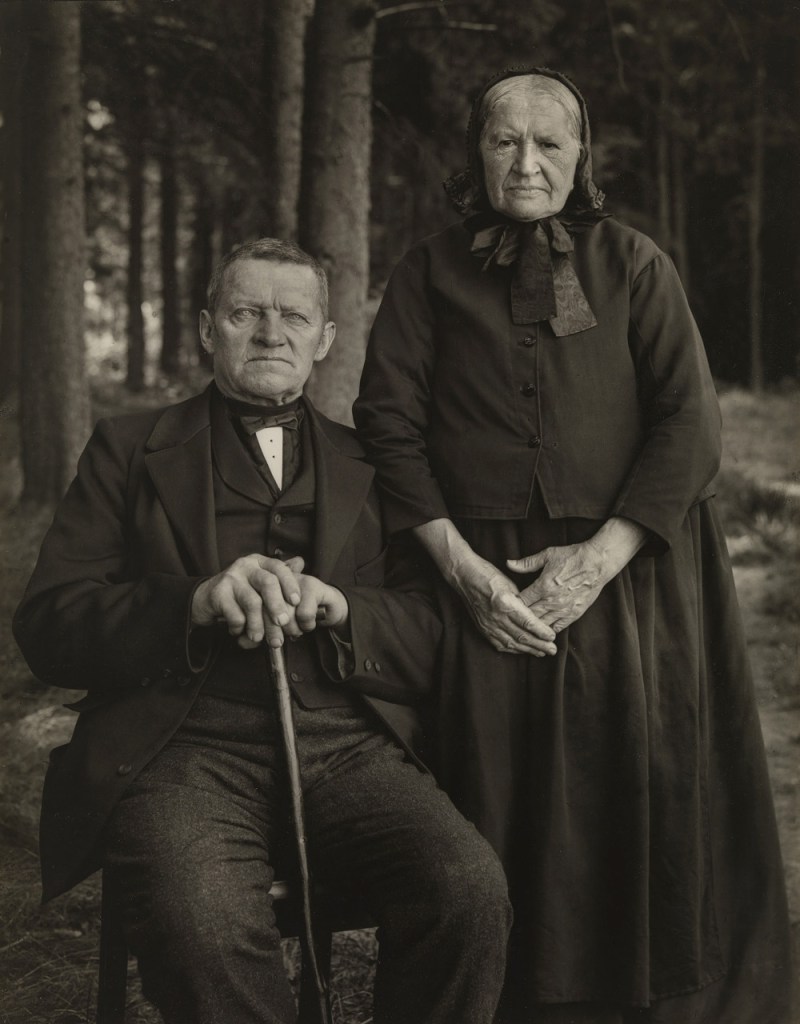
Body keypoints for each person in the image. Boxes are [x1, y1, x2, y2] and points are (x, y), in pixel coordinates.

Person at [353, 68, 792, 1024]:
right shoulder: (428, 273)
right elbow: (387, 422)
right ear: (475, 154)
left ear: (580, 155)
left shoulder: (635, 262)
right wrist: (460, 571)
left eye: (549, 143)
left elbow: (691, 421)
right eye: (505, 140)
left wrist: (598, 559)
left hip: (628, 576)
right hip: (481, 581)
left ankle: (640, 997)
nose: (527, 161)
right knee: (496, 796)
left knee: (629, 781)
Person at [13, 238, 512, 1024]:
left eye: (293, 316)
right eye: (247, 312)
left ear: (326, 339)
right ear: (209, 329)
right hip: (181, 751)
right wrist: (194, 601)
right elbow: (49, 623)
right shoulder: (127, 448)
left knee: (467, 890)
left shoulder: (374, 464)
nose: (271, 333)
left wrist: (346, 607)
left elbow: (432, 631)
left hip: (349, 746)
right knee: (203, 924)